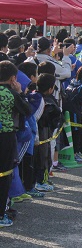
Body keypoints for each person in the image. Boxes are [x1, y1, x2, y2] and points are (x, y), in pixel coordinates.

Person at [0, 61, 31, 228]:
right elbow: (26, 110)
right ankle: (1, 213)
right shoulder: (11, 94)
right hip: (5, 136)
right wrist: (21, 92)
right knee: (5, 174)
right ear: (13, 78)